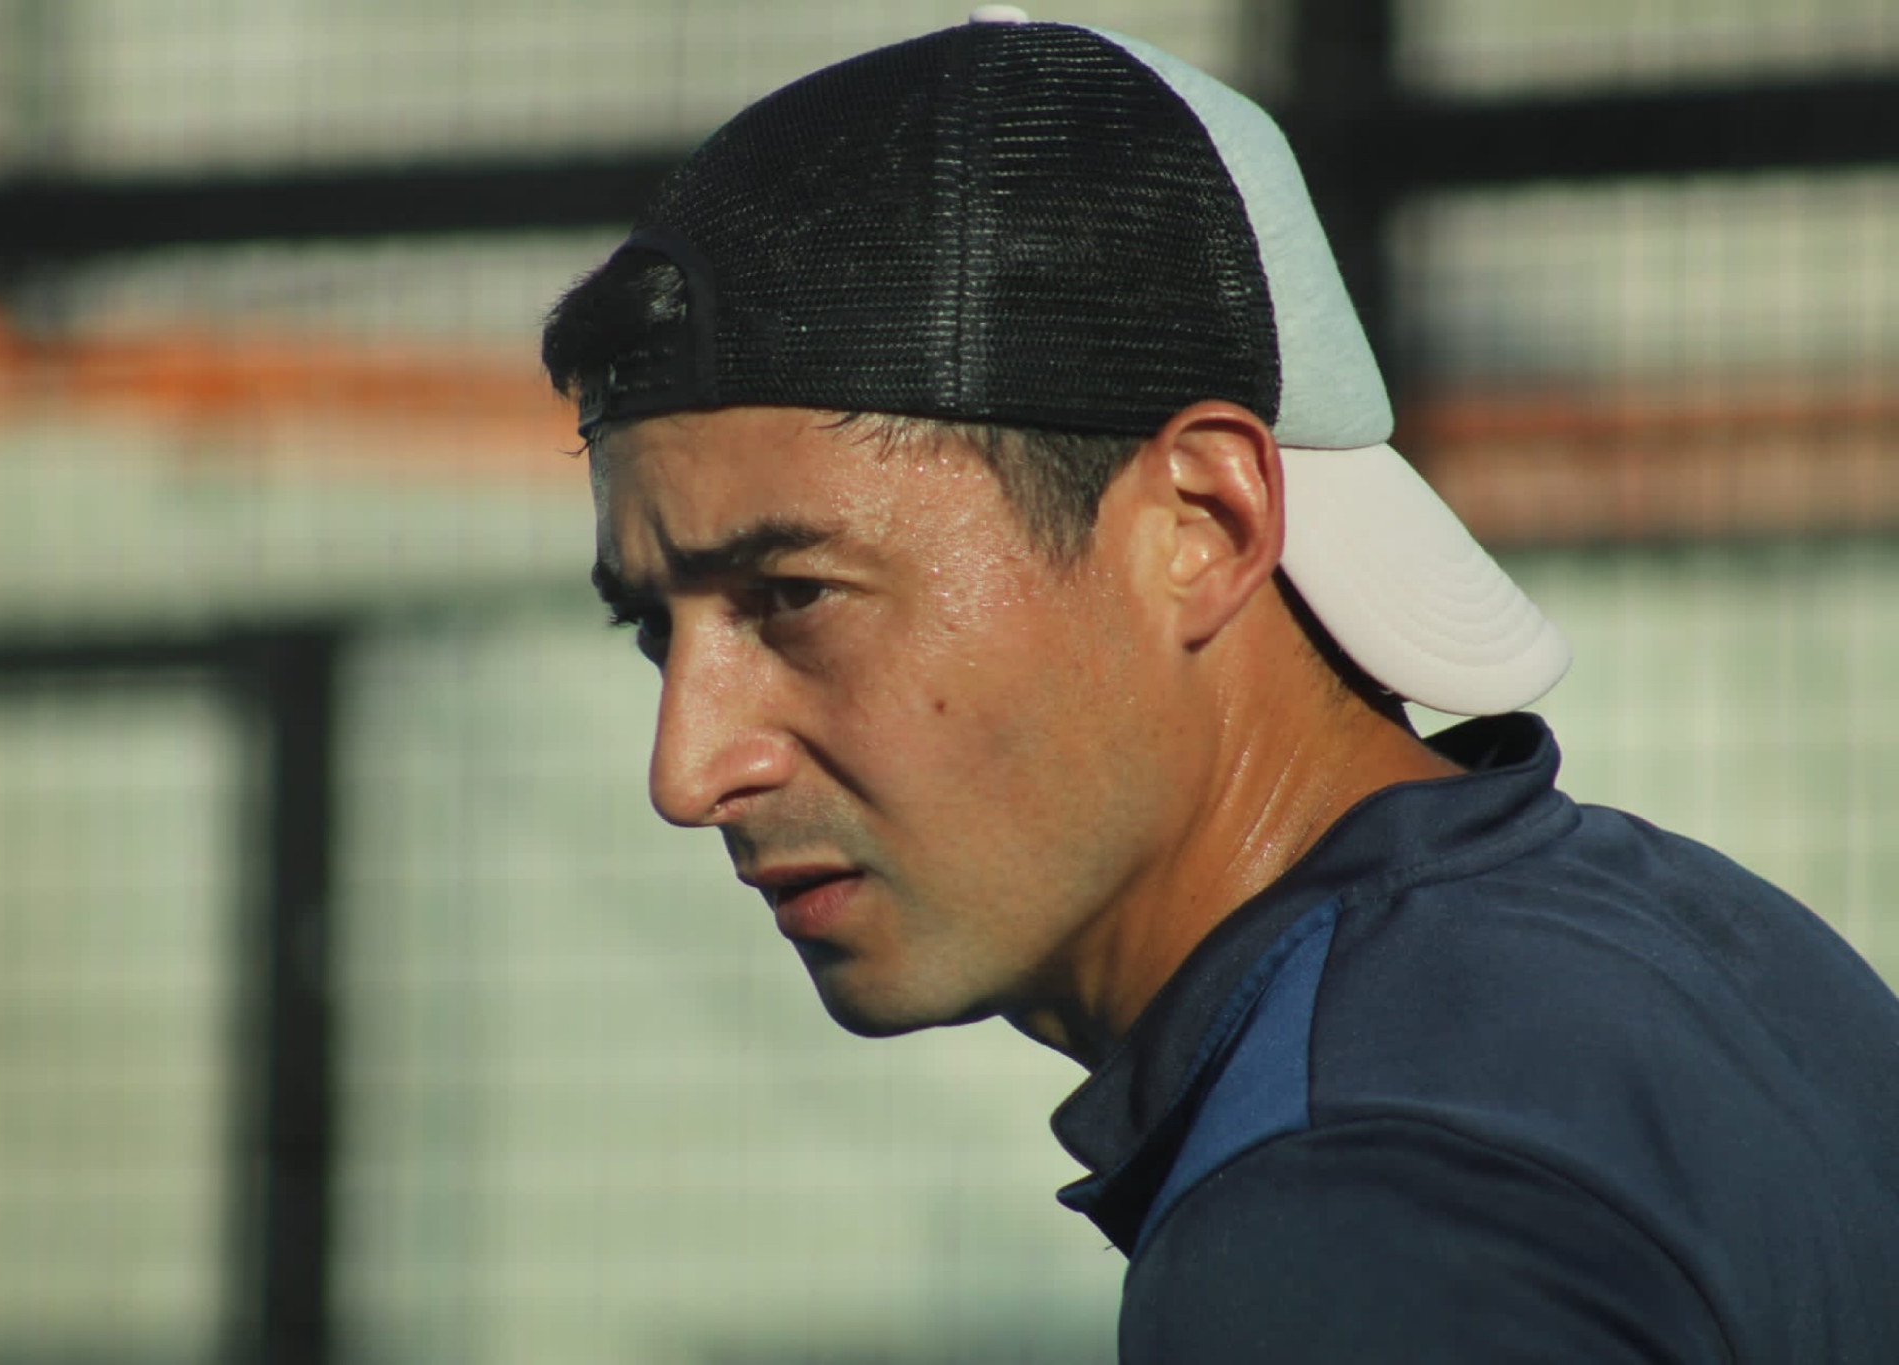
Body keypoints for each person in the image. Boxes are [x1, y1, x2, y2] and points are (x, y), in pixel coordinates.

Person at [541, 15, 1899, 1361]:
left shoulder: (1356, 1209)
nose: (688, 770)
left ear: (1200, 523)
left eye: (792, 596)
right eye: (654, 629)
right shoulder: (1711, 955)